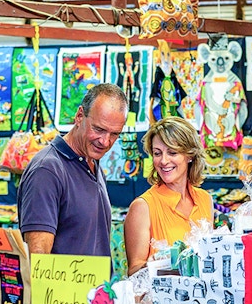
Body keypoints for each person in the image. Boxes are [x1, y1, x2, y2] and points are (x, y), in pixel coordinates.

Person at [17, 83, 128, 258]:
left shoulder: (92, 163)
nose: (105, 142)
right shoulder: (46, 170)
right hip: (63, 285)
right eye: (99, 129)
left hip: (97, 285)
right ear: (79, 116)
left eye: (114, 134)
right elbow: (37, 261)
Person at [124, 117, 213, 275]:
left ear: (190, 155)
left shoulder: (205, 199)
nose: (164, 161)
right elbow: (134, 272)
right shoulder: (143, 206)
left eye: (172, 152)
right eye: (157, 153)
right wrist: (161, 264)